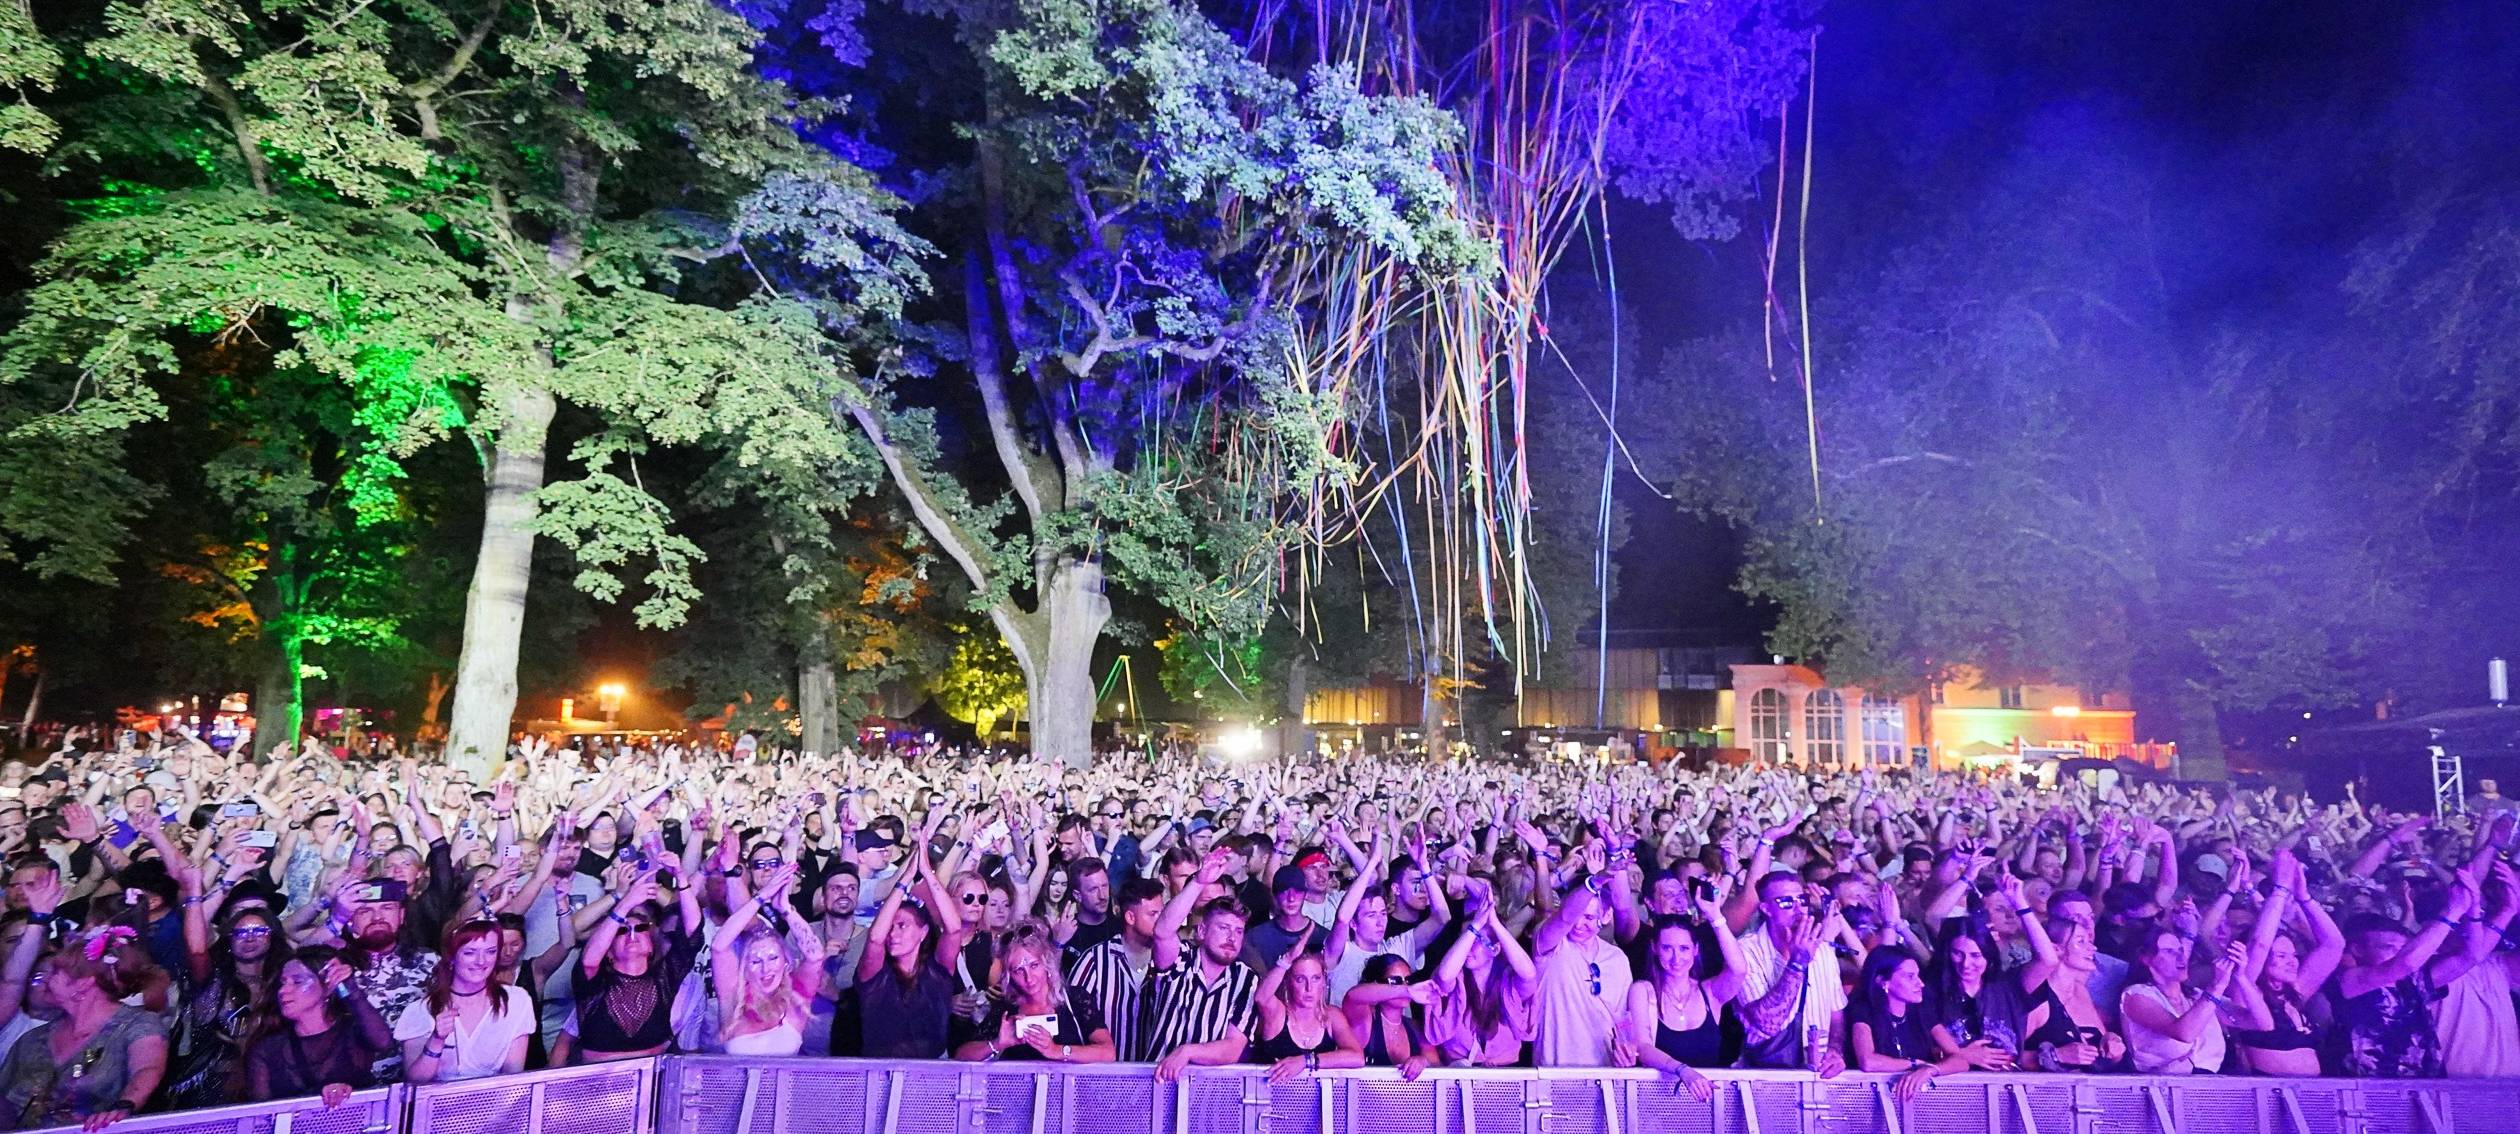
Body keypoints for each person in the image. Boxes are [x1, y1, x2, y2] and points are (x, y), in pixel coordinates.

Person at [0, 931, 168, 1131]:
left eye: (55, 972)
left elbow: (147, 1069)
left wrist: (123, 1107)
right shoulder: (32, 1040)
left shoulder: (137, 1025)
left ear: (83, 983)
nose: (44, 981)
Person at [571, 857, 705, 1062]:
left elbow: (693, 929)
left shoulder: (664, 978)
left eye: (641, 928)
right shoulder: (596, 984)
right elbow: (589, 961)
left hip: (652, 1076)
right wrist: (625, 904)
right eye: (622, 930)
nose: (631, 934)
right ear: (608, 951)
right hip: (599, 1077)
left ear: (651, 945)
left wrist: (680, 875)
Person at [1146, 851, 1259, 1082]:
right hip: (1158, 1082)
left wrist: (1187, 1052)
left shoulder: (1246, 978)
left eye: (1238, 931)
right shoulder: (1181, 959)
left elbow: (1233, 1048)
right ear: (1202, 931)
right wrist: (1199, 881)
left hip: (1209, 1093)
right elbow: (1162, 931)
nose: (1232, 937)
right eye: (1223, 928)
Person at [2231, 852, 2341, 1076]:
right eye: (2281, 956)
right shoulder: (2244, 991)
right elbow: (2259, 944)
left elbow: (2334, 945)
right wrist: (2279, 891)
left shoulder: (2295, 992)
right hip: (2267, 1092)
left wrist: (2304, 898)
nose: (2292, 962)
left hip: (2313, 1091)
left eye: (2293, 955)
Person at [244, 947, 393, 1104]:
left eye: (297, 981)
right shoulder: (267, 1049)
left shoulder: (352, 1030)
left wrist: (352, 990)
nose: (283, 990)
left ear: (327, 987)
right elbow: (262, 1112)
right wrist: (318, 1096)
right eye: (283, 982)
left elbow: (383, 1042)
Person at [1531, 844, 1633, 1067]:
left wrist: (1627, 1050)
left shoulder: (1617, 959)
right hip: (1553, 1073)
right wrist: (1596, 880)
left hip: (1604, 1074)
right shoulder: (1550, 945)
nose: (1578, 925)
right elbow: (1565, 919)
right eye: (1577, 915)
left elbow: (1622, 1019)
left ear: (1605, 916)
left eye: (1588, 918)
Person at [395, 920, 533, 1083]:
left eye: (490, 951)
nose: (481, 961)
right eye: (470, 952)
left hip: (497, 1097)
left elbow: (513, 1078)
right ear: (452, 956)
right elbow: (415, 1083)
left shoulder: (516, 1001)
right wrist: (436, 1040)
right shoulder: (419, 1011)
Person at [954, 923, 1113, 1063]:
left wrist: (1057, 1050)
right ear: (1009, 975)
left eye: (1034, 965)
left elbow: (1108, 1053)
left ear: (1047, 963)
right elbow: (961, 1055)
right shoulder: (1006, 1009)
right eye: (1018, 970)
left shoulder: (1075, 998)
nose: (1029, 978)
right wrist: (996, 1044)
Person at [1418, 879, 1536, 1067]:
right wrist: (1475, 927)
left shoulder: (1507, 982)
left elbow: (1528, 974)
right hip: (1459, 1075)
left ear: (1494, 949)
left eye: (1478, 939)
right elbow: (1444, 976)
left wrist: (1495, 924)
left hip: (1506, 1076)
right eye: (1466, 938)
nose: (1469, 946)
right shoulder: (1455, 978)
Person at [2119, 927, 2267, 1075]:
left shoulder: (2197, 996)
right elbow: (2184, 1034)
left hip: (2209, 1083)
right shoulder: (2136, 995)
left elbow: (2262, 1023)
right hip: (2162, 1084)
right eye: (2169, 951)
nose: (2181, 957)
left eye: (2181, 950)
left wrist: (2241, 977)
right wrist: (2216, 986)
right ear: (2146, 959)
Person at [712, 866, 820, 1056]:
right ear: (745, 967)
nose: (766, 969)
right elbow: (719, 946)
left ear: (785, 961)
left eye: (773, 958)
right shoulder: (733, 997)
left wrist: (786, 909)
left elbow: (815, 955)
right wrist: (760, 898)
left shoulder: (796, 1000)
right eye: (756, 961)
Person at [1848, 948, 1971, 1101]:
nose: (1921, 984)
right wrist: (1915, 1064)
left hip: (1919, 1101)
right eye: (1910, 976)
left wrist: (1930, 1070)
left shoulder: (1922, 1011)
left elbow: (1960, 1060)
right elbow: (1868, 1062)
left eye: (1918, 976)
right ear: (1883, 981)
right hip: (1869, 1101)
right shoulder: (1863, 1010)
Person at [1065, 877, 1165, 1061]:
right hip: (1104, 1073)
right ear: (1130, 917)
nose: (1162, 921)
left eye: (1162, 913)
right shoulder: (1094, 962)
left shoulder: (1174, 962)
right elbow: (1070, 1020)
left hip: (1154, 1073)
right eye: (1153, 914)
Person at [1249, 941, 1364, 1083]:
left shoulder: (1332, 1016)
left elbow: (1357, 1057)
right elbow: (1261, 998)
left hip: (1318, 1096)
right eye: (1300, 979)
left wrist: (1305, 1061)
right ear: (1288, 982)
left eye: (1316, 978)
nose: (1309, 988)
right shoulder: (1279, 1014)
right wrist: (1286, 961)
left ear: (1324, 982)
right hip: (1268, 1094)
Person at [1338, 954, 1436, 1077]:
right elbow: (1352, 996)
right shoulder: (1365, 1019)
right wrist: (1406, 991)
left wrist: (1423, 1061)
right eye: (1395, 981)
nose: (1405, 985)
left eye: (1408, 980)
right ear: (1376, 984)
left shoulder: (1414, 1027)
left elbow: (1437, 1064)